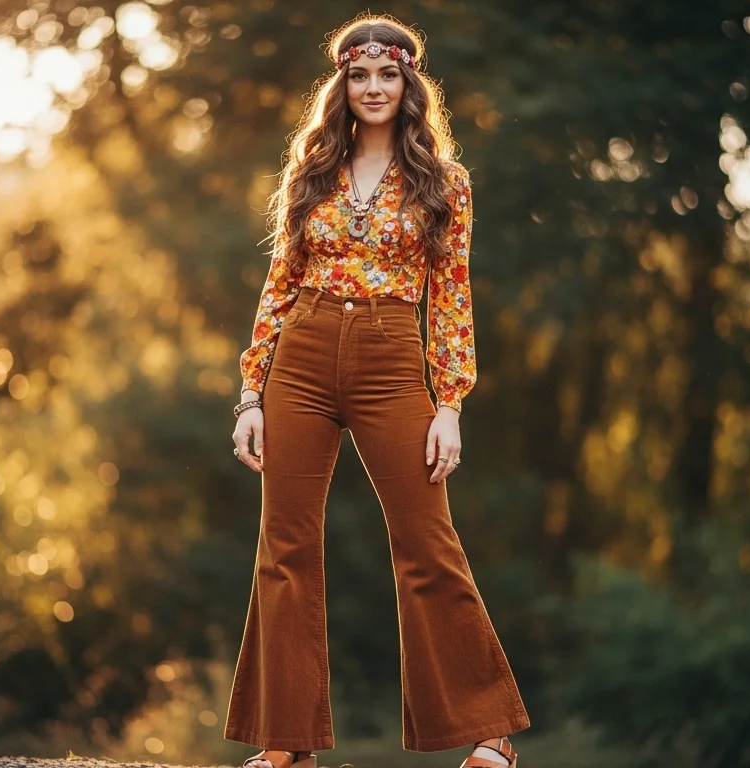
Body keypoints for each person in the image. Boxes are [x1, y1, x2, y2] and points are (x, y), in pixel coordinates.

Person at [225, 15, 530, 768]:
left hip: (395, 358)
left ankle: (490, 733)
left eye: (386, 75)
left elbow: (452, 294)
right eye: (359, 76)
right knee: (285, 546)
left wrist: (449, 404)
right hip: (301, 352)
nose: (372, 88)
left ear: (408, 84)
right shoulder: (311, 172)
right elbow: (280, 281)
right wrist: (251, 394)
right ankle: (287, 744)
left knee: (426, 541)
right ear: (343, 84)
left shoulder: (445, 183)